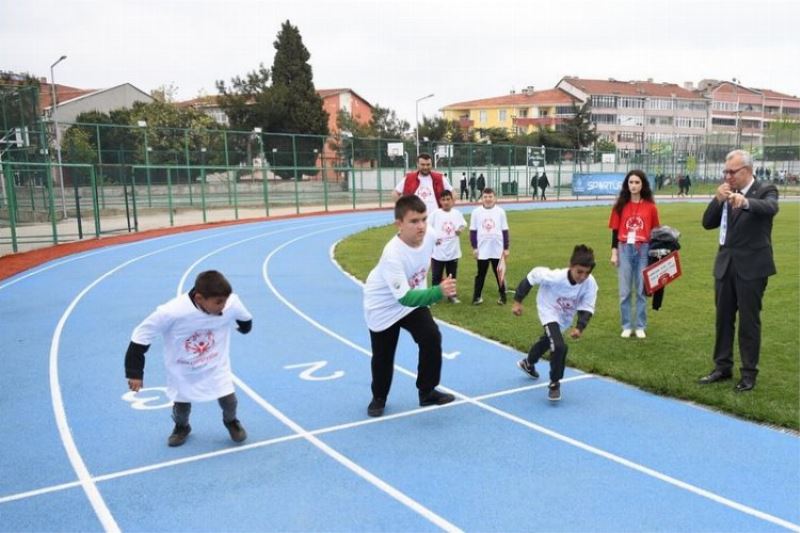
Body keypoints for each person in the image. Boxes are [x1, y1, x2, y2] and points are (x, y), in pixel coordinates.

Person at [125, 270, 253, 447]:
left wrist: (245, 327)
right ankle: (181, 427)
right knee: (182, 407)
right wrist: (134, 372)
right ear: (199, 298)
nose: (224, 306)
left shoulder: (230, 302)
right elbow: (141, 336)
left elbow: (245, 318)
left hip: (215, 365)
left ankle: (231, 422)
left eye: (225, 301)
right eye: (218, 302)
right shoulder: (172, 312)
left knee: (229, 401)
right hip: (183, 370)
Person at [363, 195, 458, 417]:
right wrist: (437, 291)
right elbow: (403, 298)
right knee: (383, 355)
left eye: (424, 219)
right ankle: (379, 397)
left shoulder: (429, 235)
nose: (421, 226)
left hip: (413, 298)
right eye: (414, 221)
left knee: (431, 337)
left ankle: (426, 391)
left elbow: (439, 247)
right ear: (399, 224)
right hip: (383, 306)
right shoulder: (392, 255)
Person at [699, 149, 779, 392]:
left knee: (748, 322)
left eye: (731, 172)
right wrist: (718, 199)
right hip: (725, 266)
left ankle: (748, 373)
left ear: (746, 171)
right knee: (723, 319)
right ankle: (722, 367)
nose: (727, 176)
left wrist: (745, 202)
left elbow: (770, 208)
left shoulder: (765, 189)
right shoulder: (726, 192)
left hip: (752, 267)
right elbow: (707, 223)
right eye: (725, 171)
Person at [512, 245, 598, 401]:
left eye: (587, 273)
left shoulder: (590, 283)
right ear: (570, 266)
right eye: (579, 271)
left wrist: (580, 327)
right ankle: (554, 383)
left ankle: (528, 363)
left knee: (548, 340)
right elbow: (532, 276)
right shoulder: (555, 276)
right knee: (559, 346)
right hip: (548, 309)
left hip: (565, 316)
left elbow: (587, 306)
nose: (582, 276)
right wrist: (518, 301)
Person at [608, 169, 660, 339]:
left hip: (644, 249)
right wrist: (614, 253)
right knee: (624, 291)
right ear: (626, 185)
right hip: (624, 249)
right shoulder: (620, 206)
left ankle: (640, 326)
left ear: (643, 184)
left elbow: (654, 232)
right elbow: (615, 232)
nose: (634, 185)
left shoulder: (651, 207)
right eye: (631, 182)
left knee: (641, 291)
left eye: (637, 182)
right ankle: (626, 325)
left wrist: (655, 257)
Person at [469, 188, 509, 305]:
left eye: (490, 196)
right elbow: (473, 231)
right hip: (482, 250)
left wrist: (506, 248)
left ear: (495, 198)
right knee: (481, 274)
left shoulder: (500, 212)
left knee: (499, 273)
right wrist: (475, 248)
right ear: (482, 198)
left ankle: (503, 296)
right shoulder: (476, 212)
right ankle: (477, 297)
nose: (488, 199)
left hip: (497, 249)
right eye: (485, 197)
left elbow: (505, 230)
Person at [429, 190, 467, 304]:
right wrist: (433, 240)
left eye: (448, 199)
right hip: (438, 252)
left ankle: (452, 296)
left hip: (453, 251)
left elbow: (463, 224)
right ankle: (434, 297)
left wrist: (460, 230)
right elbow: (427, 228)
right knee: (436, 276)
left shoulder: (457, 213)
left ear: (452, 200)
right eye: (443, 200)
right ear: (440, 201)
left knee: (452, 276)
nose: (446, 202)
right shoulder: (435, 214)